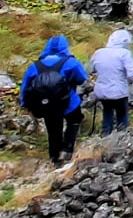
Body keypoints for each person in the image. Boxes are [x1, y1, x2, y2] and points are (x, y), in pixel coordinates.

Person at [20, 34, 88, 166]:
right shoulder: (70, 62)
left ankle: (54, 157)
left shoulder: (35, 66)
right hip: (68, 103)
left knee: (53, 130)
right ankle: (67, 150)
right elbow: (82, 79)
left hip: (46, 104)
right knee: (75, 120)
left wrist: (25, 103)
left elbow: (25, 86)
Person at [88, 28, 133, 135]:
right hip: (118, 92)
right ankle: (122, 139)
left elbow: (91, 69)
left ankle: (105, 138)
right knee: (122, 117)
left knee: (107, 115)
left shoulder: (99, 52)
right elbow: (131, 73)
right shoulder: (124, 53)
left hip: (102, 91)